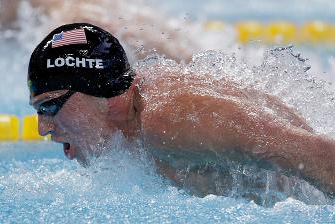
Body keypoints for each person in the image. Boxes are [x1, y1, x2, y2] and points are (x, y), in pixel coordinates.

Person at [28, 23, 335, 204]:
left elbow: (316, 154)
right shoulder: (142, 110)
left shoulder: (168, 121)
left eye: (49, 106)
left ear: (99, 94)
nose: (42, 127)